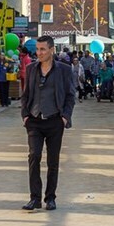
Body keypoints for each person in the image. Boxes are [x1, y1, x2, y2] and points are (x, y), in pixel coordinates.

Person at [20, 35, 76, 211]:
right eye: (37, 49)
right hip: (34, 121)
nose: (39, 53)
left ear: (52, 50)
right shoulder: (31, 69)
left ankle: (50, 198)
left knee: (53, 161)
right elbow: (26, 94)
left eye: (43, 49)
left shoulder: (64, 70)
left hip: (54, 121)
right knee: (34, 156)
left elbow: (70, 95)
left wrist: (64, 117)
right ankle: (34, 198)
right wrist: (25, 115)